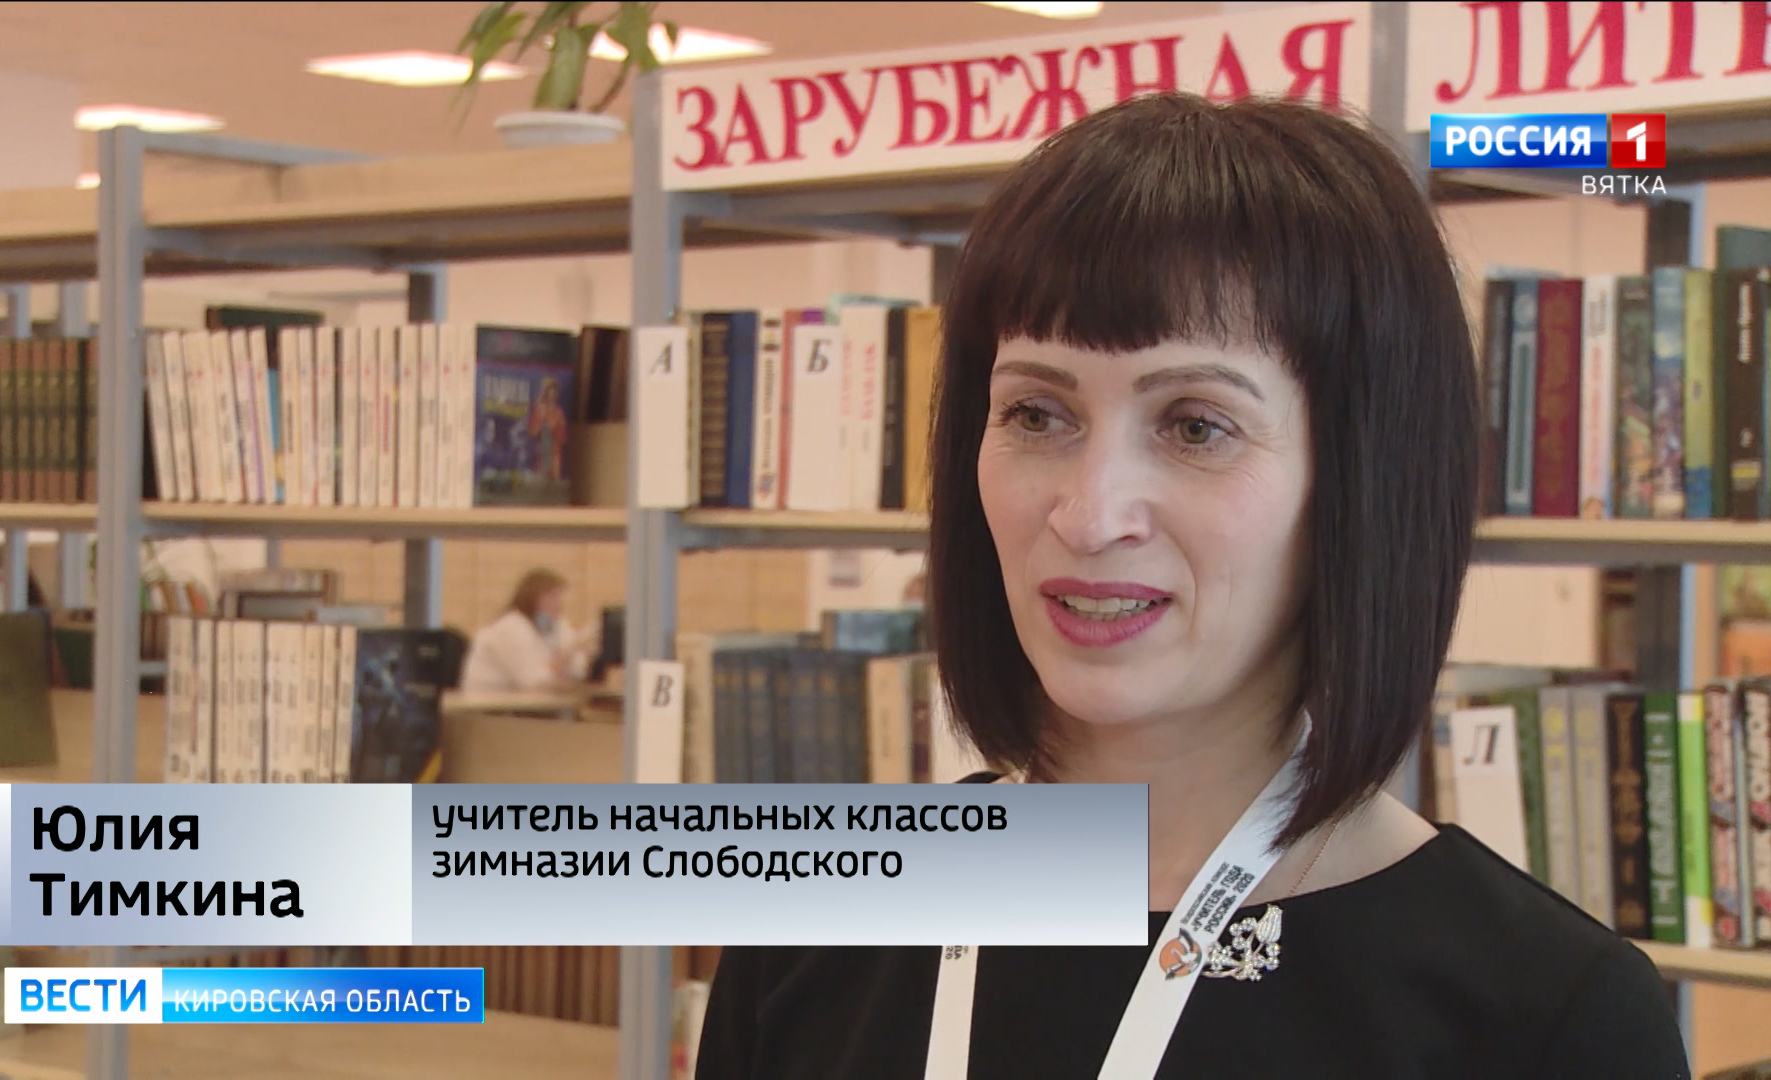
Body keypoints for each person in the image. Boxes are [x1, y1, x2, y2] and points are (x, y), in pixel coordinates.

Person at [694, 95, 1687, 1079]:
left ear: (1358, 478)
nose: (1091, 515)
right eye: (1036, 414)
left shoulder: (1546, 1020)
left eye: (1195, 425)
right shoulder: (813, 933)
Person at [459, 568, 590, 693]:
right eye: (552, 596)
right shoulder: (509, 627)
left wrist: (580, 650)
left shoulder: (558, 626)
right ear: (531, 598)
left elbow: (579, 672)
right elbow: (534, 682)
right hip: (489, 704)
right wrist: (567, 654)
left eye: (560, 596)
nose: (559, 603)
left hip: (526, 703)